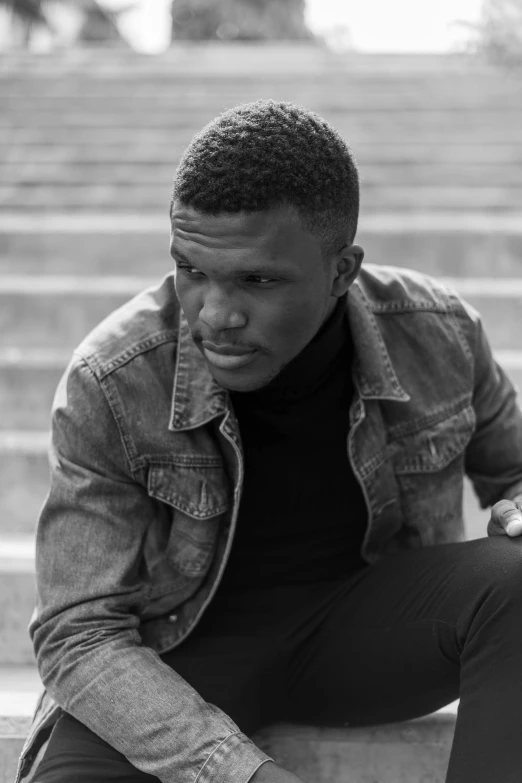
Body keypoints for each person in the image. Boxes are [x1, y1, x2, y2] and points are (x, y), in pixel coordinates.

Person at [16, 100, 522, 783]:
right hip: (173, 653)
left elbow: (514, 474)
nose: (216, 314)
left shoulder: (439, 332)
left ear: (342, 270)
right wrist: (239, 771)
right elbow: (76, 634)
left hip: (361, 636)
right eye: (191, 269)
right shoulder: (112, 378)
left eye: (257, 279)